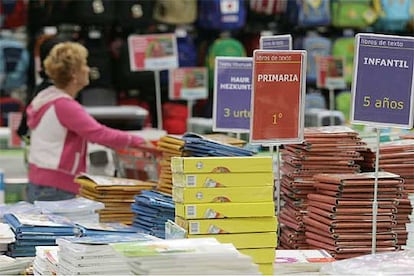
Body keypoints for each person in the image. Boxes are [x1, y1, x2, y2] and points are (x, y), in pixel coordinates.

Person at [25, 41, 147, 202]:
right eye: (85, 64)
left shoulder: (46, 98)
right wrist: (139, 141)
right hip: (56, 188)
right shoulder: (64, 106)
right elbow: (99, 134)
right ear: (74, 73)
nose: (88, 69)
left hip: (42, 181)